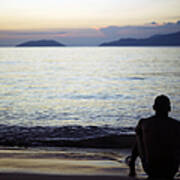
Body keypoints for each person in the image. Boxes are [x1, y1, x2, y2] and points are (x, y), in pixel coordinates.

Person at [127, 95, 180, 179]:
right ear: (169, 109)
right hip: (171, 169)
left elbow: (139, 144)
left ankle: (132, 163)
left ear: (154, 107)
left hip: (150, 168)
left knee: (139, 134)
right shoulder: (176, 125)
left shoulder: (144, 123)